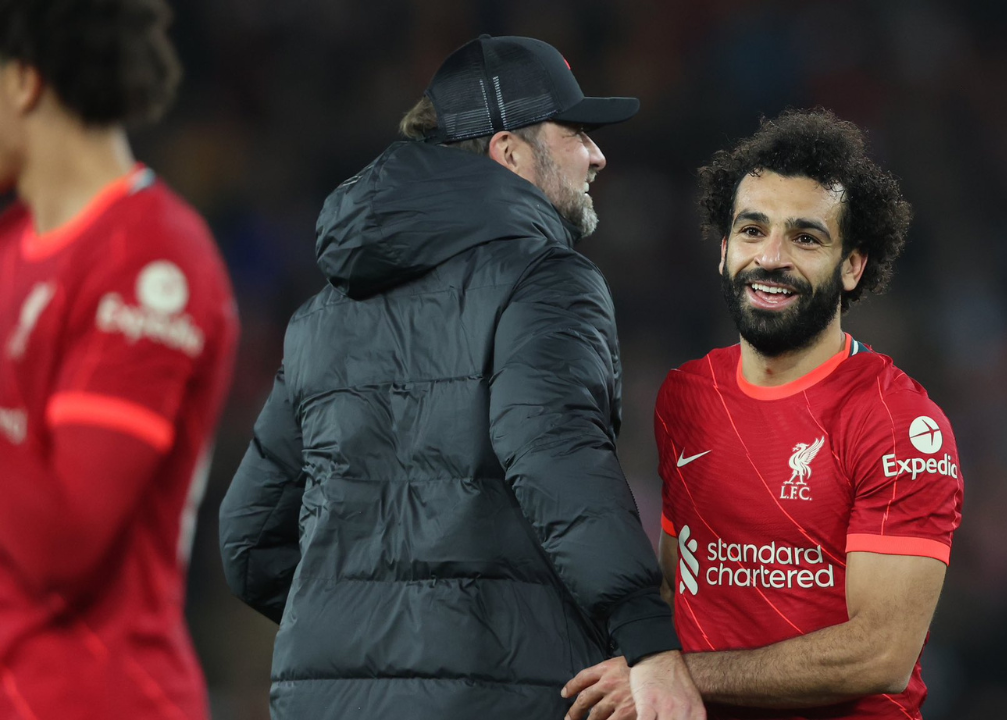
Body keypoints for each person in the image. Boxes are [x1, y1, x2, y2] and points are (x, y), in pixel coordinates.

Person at [218, 35, 703, 720]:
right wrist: (650, 644)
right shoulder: (545, 279)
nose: (597, 155)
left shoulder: (319, 315)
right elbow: (559, 463)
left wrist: (364, 621)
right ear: (509, 151)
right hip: (494, 692)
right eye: (576, 133)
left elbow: (247, 539)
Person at [563, 109, 964, 720]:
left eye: (805, 238)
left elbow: (881, 653)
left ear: (853, 266)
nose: (770, 257)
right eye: (753, 230)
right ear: (724, 250)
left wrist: (673, 672)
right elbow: (683, 592)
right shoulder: (684, 396)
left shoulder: (897, 421)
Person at [0, 1, 240, 719]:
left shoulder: (151, 259)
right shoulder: (10, 247)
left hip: (101, 700)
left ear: (24, 82)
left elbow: (65, 543)